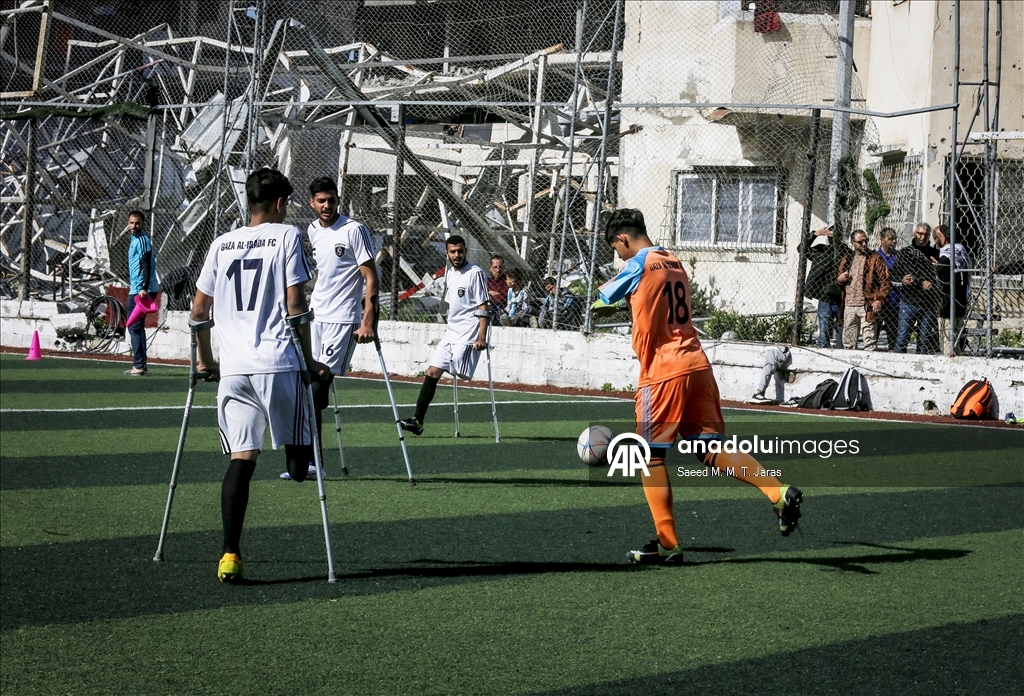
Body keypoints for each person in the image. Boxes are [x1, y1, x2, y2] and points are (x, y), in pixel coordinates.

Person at [598, 209, 802, 564]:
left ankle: (667, 544)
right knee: (709, 449)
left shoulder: (637, 263)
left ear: (623, 238)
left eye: (616, 248)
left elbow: (603, 299)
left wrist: (603, 305)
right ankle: (777, 492)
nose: (618, 256)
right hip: (697, 364)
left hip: (663, 371)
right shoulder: (674, 260)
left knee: (649, 457)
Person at [190, 168, 329, 583]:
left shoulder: (221, 243)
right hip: (279, 363)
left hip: (235, 369)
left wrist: (206, 361)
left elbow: (198, 311)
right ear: (280, 203)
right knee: (300, 466)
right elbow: (296, 305)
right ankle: (298, 456)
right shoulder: (287, 236)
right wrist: (309, 359)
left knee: (242, 459)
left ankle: (230, 554)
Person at [279, 177, 379, 480]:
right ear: (312, 202)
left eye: (331, 200)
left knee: (314, 393)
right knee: (305, 389)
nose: (327, 205)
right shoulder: (311, 230)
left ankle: (310, 463)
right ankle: (309, 463)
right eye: (321, 201)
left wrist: (368, 321)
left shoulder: (354, 230)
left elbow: (370, 278)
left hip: (344, 320)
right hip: (315, 318)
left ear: (338, 200)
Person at [399, 235, 489, 435]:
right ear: (447, 253)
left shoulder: (475, 273)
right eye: (453, 251)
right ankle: (417, 421)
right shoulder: (449, 272)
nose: (457, 255)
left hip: (467, 333)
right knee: (432, 372)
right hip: (451, 333)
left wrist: (482, 338)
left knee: (460, 373)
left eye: (460, 251)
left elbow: (483, 307)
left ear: (465, 251)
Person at [836, 229, 890, 351]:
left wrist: (879, 300)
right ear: (852, 242)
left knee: (869, 342)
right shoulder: (847, 259)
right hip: (849, 305)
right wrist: (839, 280)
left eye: (866, 241)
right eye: (860, 242)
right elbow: (839, 282)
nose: (864, 244)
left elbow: (886, 281)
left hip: (868, 304)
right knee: (848, 343)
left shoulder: (875, 258)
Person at [892, 222, 939, 354]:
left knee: (924, 341)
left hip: (928, 302)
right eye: (920, 234)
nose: (922, 237)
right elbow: (894, 275)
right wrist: (902, 281)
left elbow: (942, 277)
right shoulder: (905, 253)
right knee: (902, 338)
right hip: (908, 301)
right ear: (915, 234)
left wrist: (936, 271)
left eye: (926, 235)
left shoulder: (934, 254)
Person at [124, 210, 160, 376]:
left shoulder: (143, 240)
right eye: (131, 223)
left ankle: (138, 365)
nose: (134, 226)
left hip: (141, 290)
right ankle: (141, 364)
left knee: (134, 326)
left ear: (143, 224)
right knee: (137, 327)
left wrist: (143, 287)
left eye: (137, 223)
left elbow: (146, 265)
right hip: (137, 288)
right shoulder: (134, 240)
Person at [802, 227, 847, 349]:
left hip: (841, 298)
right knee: (824, 331)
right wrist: (814, 235)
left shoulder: (846, 252)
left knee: (843, 332)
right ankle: (824, 351)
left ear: (841, 237)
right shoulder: (822, 249)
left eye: (834, 237)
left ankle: (842, 353)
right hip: (825, 296)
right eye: (829, 237)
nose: (831, 240)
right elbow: (802, 249)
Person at [933, 223, 971, 355]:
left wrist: (935, 272)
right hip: (960, 304)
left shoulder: (945, 258)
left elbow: (943, 284)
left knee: (947, 345)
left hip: (947, 307)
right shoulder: (961, 253)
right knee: (956, 344)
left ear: (944, 238)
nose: (936, 240)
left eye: (937, 236)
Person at [874, 228, 900, 350]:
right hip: (880, 301)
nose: (894, 241)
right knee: (874, 334)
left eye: (895, 239)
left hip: (895, 301)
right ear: (882, 240)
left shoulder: (898, 256)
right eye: (890, 239)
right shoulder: (876, 257)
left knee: (894, 336)